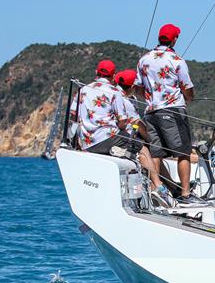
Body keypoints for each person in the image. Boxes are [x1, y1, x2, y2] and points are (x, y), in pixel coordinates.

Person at [135, 23, 201, 205]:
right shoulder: (177, 61)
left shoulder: (144, 60)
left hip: (151, 112)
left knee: (156, 152)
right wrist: (187, 99)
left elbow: (138, 88)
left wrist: (151, 98)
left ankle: (158, 190)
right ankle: (186, 195)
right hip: (172, 111)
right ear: (174, 39)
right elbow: (188, 89)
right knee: (183, 153)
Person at [113, 69, 175, 207]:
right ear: (133, 87)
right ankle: (159, 187)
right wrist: (152, 139)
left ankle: (173, 188)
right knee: (153, 151)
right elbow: (137, 123)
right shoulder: (125, 100)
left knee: (156, 151)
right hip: (127, 138)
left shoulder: (124, 96)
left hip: (128, 135)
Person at [69, 60, 130, 155]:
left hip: (86, 143)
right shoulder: (114, 92)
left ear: (96, 72)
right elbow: (123, 122)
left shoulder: (83, 89)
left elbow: (73, 115)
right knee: (137, 144)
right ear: (114, 75)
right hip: (107, 140)